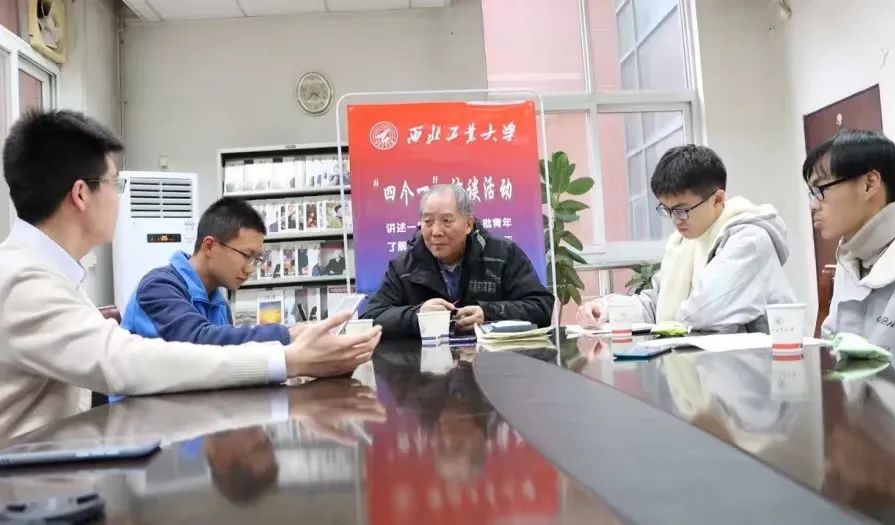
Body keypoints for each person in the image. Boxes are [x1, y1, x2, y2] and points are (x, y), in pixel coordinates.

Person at [0, 109, 382, 439]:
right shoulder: (23, 282)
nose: (120, 197)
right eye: (116, 184)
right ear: (81, 194)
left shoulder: (49, 274)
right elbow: (128, 362)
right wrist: (289, 358)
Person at [578, 145, 795, 333]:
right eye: (668, 210)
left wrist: (663, 325)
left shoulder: (749, 239)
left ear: (717, 199)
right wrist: (608, 309)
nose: (675, 220)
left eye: (682, 210)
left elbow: (703, 312)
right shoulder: (684, 243)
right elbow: (655, 305)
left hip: (758, 364)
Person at [804, 129, 895, 360]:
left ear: (869, 184)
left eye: (821, 190)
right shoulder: (852, 257)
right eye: (811, 193)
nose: (813, 205)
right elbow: (834, 346)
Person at [362, 184, 553, 338]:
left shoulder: (503, 255)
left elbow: (541, 307)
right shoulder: (404, 266)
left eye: (446, 221)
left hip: (492, 365)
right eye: (428, 222)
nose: (436, 231)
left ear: (468, 224)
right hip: (426, 368)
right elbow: (371, 317)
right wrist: (418, 315)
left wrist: (488, 313)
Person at [122, 197, 305, 345]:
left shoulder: (220, 304)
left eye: (256, 259)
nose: (250, 269)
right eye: (246, 255)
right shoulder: (158, 286)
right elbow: (198, 341)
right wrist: (287, 335)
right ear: (209, 246)